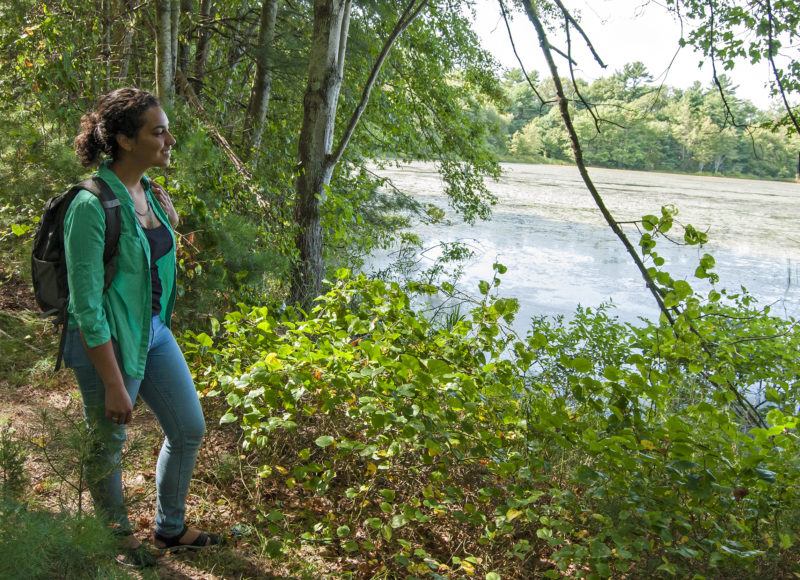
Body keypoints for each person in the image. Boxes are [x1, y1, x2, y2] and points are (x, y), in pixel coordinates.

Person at [64, 88, 220, 568]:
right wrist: (114, 384)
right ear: (127, 141)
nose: (170, 139)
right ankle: (115, 537)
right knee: (108, 441)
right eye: (159, 131)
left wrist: (169, 223)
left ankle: (169, 529)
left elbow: (147, 259)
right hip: (106, 343)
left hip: (151, 330)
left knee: (189, 428)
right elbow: (88, 308)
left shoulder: (149, 192)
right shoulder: (89, 207)